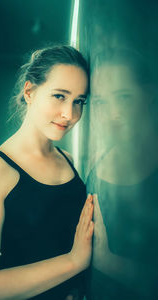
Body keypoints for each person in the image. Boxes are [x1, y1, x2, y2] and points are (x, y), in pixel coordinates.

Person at [0, 45, 94, 300]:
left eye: (79, 101)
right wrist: (74, 262)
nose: (70, 114)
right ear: (30, 92)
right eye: (59, 96)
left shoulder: (67, 160)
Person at [85, 48, 158, 299]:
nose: (111, 114)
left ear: (149, 94)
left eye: (124, 97)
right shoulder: (96, 165)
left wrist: (108, 261)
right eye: (100, 102)